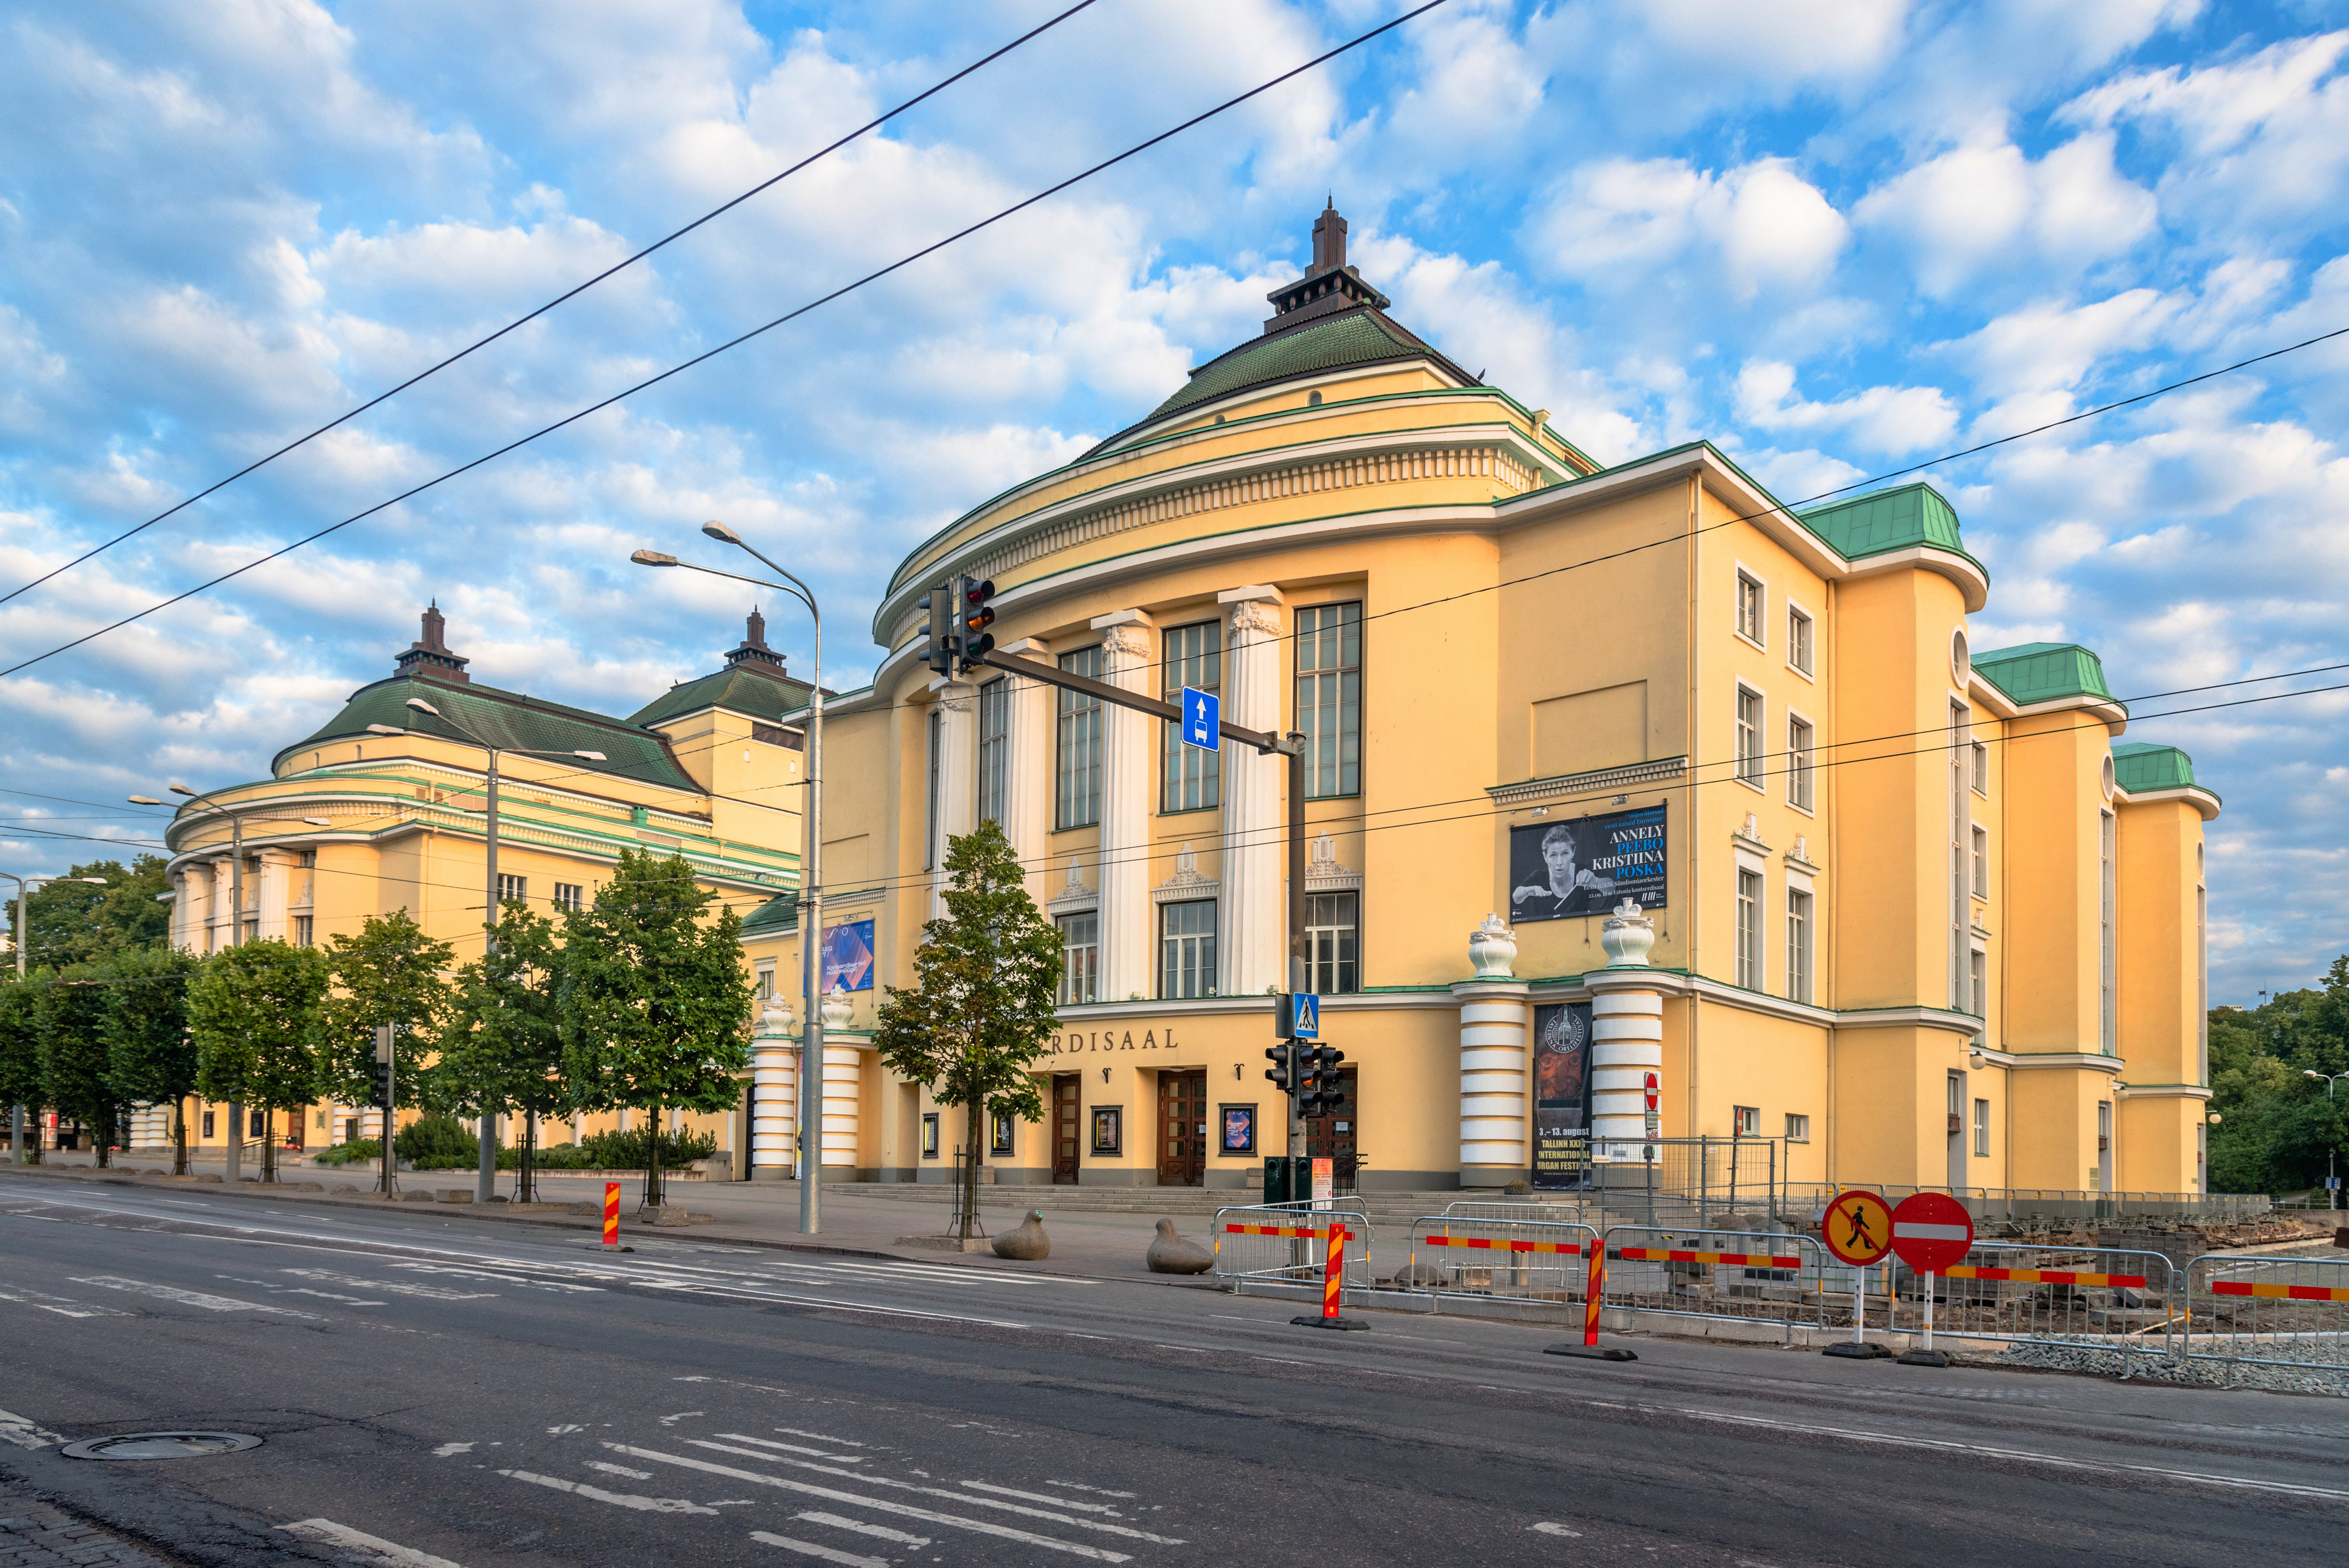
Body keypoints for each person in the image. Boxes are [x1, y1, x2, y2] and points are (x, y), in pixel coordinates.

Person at [1512, 823, 1608, 918]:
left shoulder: (1584, 872)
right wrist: (1527, 891)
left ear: (1573, 853)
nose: (1559, 862)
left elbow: (1612, 888)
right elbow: (1516, 898)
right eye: (1553, 855)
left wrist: (1595, 881)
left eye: (1565, 854)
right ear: (1545, 857)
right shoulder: (1539, 877)